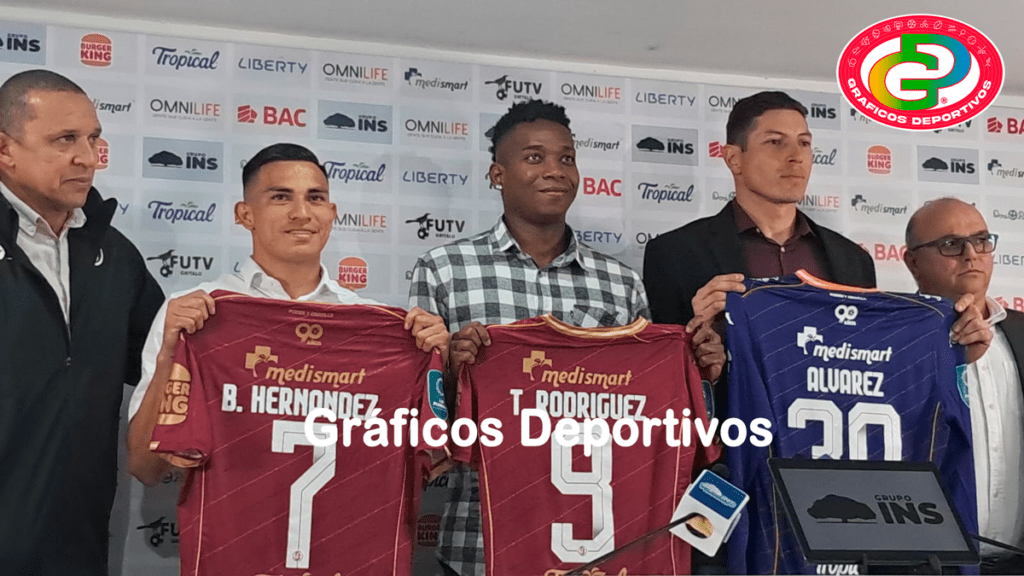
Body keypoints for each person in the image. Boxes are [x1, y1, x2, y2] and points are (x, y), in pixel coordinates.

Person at [409, 99, 724, 576]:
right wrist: (450, 372)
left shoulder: (621, 283)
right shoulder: (444, 270)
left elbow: (652, 417)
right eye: (534, 157)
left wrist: (699, 372)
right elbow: (420, 419)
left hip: (602, 543)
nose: (554, 170)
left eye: (566, 158)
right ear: (497, 174)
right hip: (479, 541)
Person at [126, 143, 449, 486]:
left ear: (332, 212)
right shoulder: (195, 315)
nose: (301, 213)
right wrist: (169, 357)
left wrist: (435, 365)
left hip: (345, 520)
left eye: (315, 198)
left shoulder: (376, 327)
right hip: (234, 521)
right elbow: (145, 466)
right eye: (281, 197)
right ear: (245, 214)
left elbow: (429, 463)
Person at [0, 69, 165, 574]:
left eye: (93, 139)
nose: (88, 157)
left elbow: (169, 365)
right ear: (5, 149)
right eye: (65, 139)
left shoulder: (115, 257)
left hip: (77, 547)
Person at [644, 90, 875, 332]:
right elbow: (666, 354)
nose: (796, 156)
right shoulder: (674, 254)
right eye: (775, 142)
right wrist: (696, 337)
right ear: (733, 158)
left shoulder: (855, 261)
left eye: (804, 143)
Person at [903, 198, 1020, 574]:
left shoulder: (1020, 334)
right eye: (951, 244)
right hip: (927, 566)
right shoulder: (891, 343)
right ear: (912, 262)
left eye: (981, 240)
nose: (971, 254)